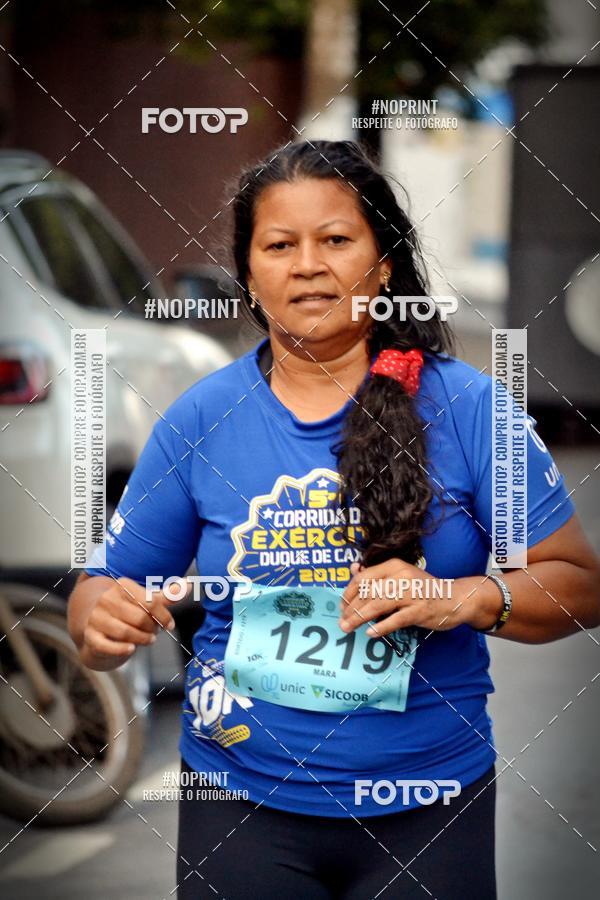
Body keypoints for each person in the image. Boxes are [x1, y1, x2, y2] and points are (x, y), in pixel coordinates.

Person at [68, 140, 600, 899]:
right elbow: (102, 589)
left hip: (429, 807)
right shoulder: (203, 418)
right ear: (250, 275)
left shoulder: (471, 410)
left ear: (383, 265)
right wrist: (102, 622)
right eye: (279, 245)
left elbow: (579, 584)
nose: (307, 264)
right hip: (241, 804)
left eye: (337, 240)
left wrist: (463, 598)